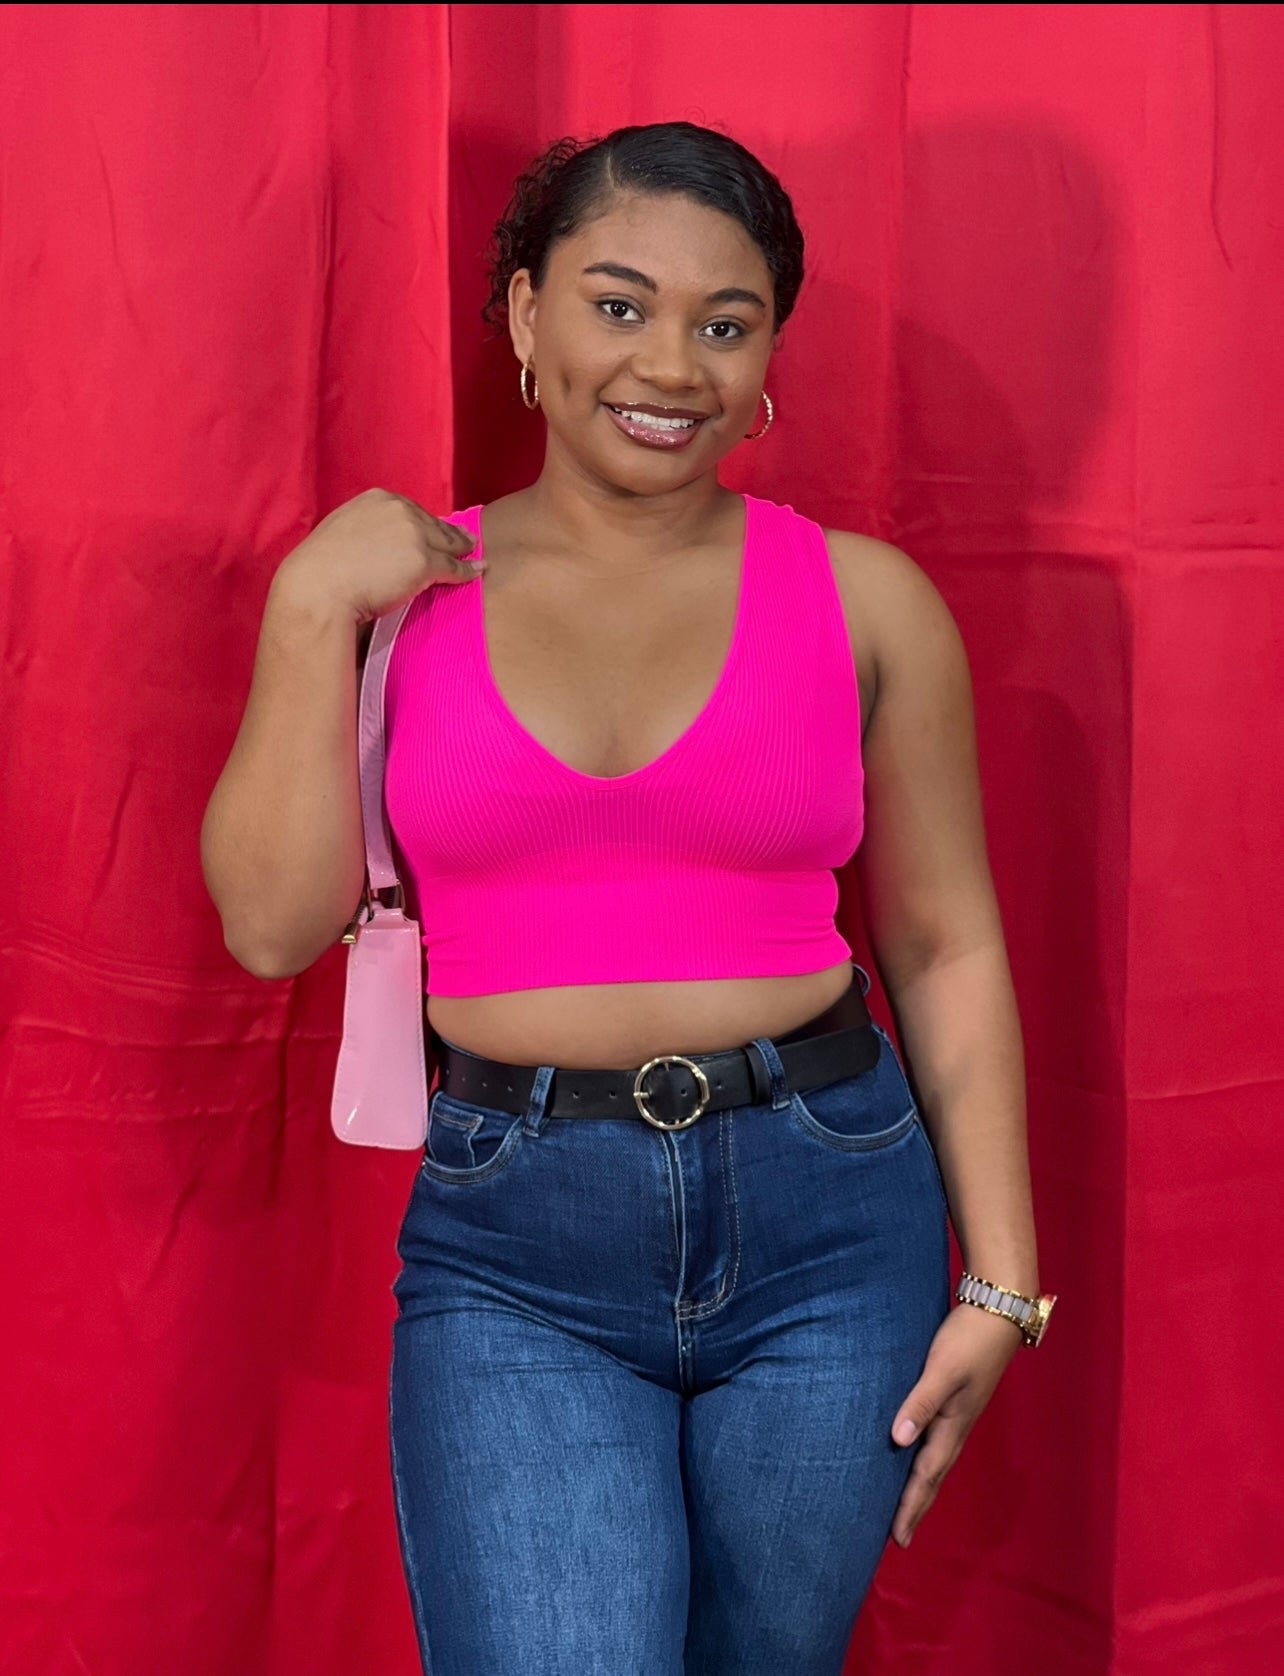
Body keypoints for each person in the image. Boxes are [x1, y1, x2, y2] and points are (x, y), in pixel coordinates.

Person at [202, 120, 1052, 1676]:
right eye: (618, 305)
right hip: (518, 1247)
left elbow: (945, 945)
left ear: (770, 356)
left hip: (831, 1218)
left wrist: (1003, 1284)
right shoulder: (397, 600)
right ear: (527, 317)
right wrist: (307, 605)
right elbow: (269, 927)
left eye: (726, 325)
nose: (670, 366)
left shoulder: (866, 603)